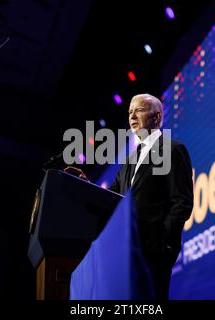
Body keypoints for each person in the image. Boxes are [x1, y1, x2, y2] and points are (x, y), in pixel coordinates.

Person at [65, 93, 193, 299]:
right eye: (130, 112)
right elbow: (111, 197)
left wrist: (164, 245)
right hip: (126, 252)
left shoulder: (172, 150)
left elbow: (182, 201)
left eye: (139, 110)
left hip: (154, 252)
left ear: (157, 117)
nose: (132, 115)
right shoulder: (130, 160)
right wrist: (85, 184)